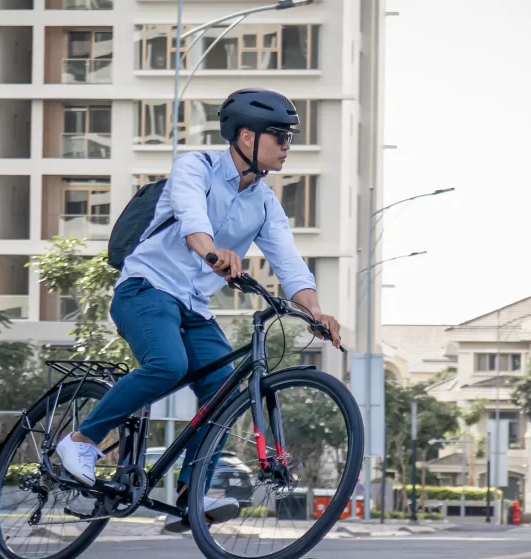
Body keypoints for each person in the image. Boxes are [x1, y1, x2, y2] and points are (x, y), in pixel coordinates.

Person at [55, 88, 343, 532]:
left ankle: (194, 493)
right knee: (168, 365)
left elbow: (288, 261)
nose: (288, 146)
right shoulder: (197, 167)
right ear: (247, 137)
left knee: (223, 387)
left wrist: (316, 311)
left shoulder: (264, 202)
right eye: (281, 136)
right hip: (145, 288)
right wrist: (213, 254)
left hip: (193, 305)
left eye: (289, 138)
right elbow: (193, 220)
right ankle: (82, 440)